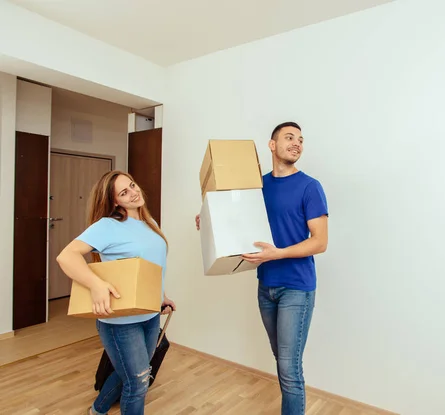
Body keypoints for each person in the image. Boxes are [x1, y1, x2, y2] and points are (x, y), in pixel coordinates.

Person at [196, 121, 328, 415]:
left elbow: (320, 242)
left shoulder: (310, 187)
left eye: (301, 140)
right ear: (272, 145)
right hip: (265, 286)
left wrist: (278, 253)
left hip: (297, 287)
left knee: (289, 366)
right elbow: (237, 216)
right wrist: (208, 219)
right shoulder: (257, 185)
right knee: (281, 360)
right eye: (289, 137)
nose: (297, 143)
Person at [57, 170, 176, 415]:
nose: (134, 193)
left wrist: (161, 295)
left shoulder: (149, 223)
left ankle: (98, 409)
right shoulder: (107, 226)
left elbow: (150, 267)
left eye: (132, 185)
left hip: (150, 314)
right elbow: (66, 256)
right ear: (114, 202)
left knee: (134, 373)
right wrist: (96, 284)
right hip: (120, 321)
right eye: (124, 192)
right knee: (138, 381)